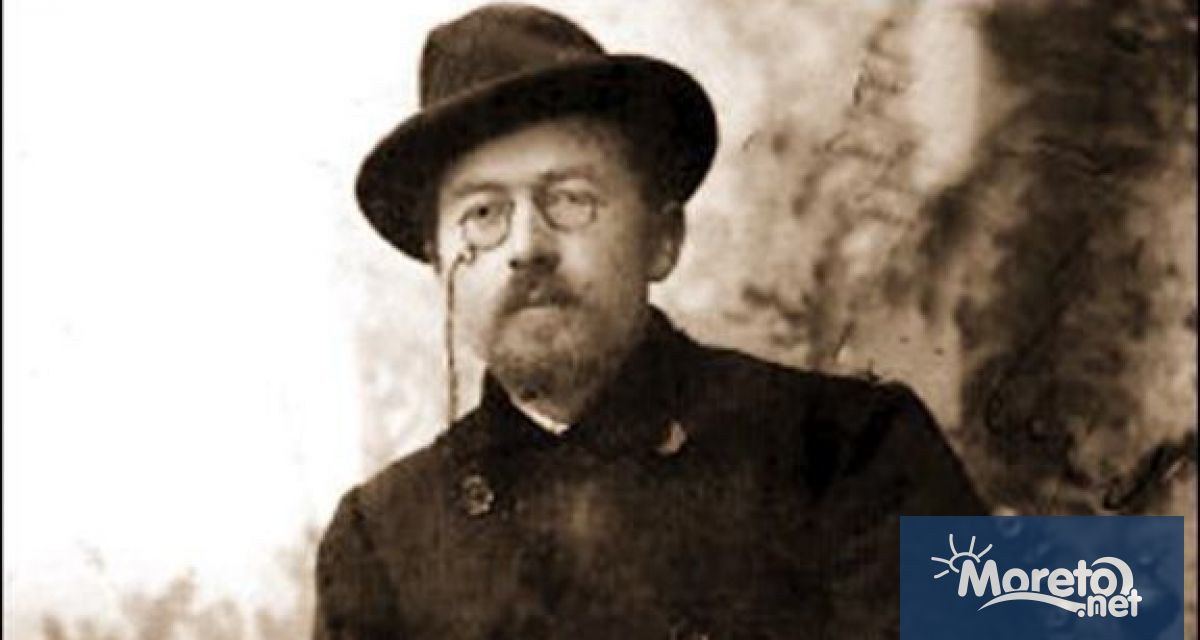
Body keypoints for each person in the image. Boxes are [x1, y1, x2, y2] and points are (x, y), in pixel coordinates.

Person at [314, 4, 988, 638]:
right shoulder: (379, 540)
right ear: (442, 271)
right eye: (483, 214)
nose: (527, 247)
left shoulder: (857, 448)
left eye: (570, 198)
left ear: (662, 240)